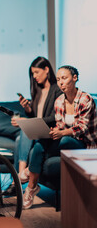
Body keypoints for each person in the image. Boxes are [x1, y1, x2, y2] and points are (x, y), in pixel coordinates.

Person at [22, 65, 97, 209]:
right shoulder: (59, 101)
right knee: (39, 144)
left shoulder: (85, 99)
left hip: (86, 143)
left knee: (65, 140)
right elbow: (61, 125)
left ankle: (30, 170)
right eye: (58, 79)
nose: (61, 82)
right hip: (65, 139)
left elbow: (82, 128)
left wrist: (61, 133)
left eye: (64, 78)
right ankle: (31, 188)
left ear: (74, 78)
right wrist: (54, 131)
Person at [8, 57, 62, 194]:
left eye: (37, 72)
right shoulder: (37, 90)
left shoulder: (57, 91)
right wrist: (27, 109)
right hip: (38, 128)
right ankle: (20, 177)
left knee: (23, 132)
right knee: (20, 138)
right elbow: (34, 117)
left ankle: (17, 180)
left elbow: (54, 117)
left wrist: (28, 122)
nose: (35, 76)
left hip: (49, 130)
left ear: (46, 69)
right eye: (33, 73)